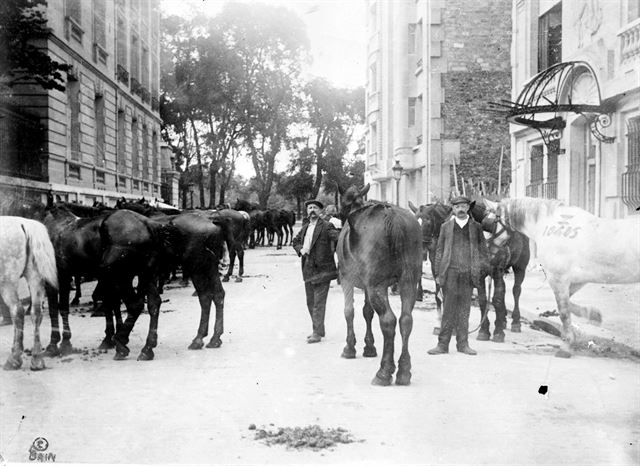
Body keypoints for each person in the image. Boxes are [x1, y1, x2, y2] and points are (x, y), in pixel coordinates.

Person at [428, 195, 488, 356]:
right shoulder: (446, 227)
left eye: (463, 206)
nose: (460, 209)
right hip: (450, 273)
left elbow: (483, 251)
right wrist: (438, 274)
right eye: (457, 207)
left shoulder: (476, 227)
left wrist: (483, 270)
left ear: (468, 208)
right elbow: (439, 251)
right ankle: (442, 345)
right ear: (453, 209)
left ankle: (463, 344)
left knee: (464, 310)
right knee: (448, 309)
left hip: (468, 274)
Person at [292, 199, 340, 343]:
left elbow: (338, 238)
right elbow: (295, 241)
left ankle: (316, 333)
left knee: (319, 303)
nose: (311, 210)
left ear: (320, 211)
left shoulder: (326, 226)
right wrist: (301, 249)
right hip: (308, 268)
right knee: (310, 302)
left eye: (315, 208)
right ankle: (318, 329)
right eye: (309, 208)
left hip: (323, 270)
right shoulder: (306, 227)